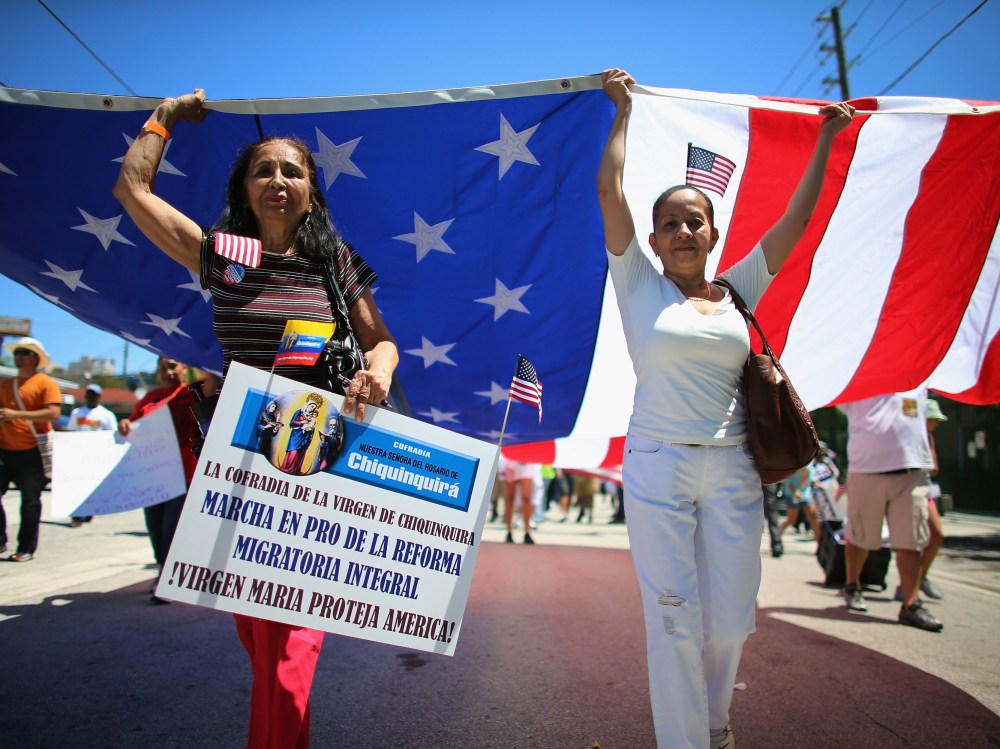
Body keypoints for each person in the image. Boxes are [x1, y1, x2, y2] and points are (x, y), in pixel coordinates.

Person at [114, 88, 398, 749]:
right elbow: (133, 191)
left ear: (311, 190)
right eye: (263, 169)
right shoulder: (226, 254)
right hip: (236, 461)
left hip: (316, 455)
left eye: (291, 170)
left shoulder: (333, 261)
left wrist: (378, 372)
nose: (277, 180)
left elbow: (381, 340)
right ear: (245, 187)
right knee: (257, 629)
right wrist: (166, 117)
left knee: (288, 635)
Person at [597, 68, 853, 748]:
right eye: (670, 224)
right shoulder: (636, 284)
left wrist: (826, 137)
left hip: (734, 468)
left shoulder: (739, 290)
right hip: (657, 466)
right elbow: (608, 190)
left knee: (735, 614)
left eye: (695, 220)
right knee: (674, 611)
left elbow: (796, 222)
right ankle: (689, 739)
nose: (683, 230)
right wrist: (622, 113)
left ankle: (714, 719)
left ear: (712, 232)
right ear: (653, 241)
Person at [839, 389, 943, 632]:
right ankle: (852, 585)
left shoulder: (917, 380)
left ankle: (911, 604)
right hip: (866, 470)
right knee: (860, 536)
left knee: (911, 541)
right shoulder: (860, 378)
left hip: (911, 472)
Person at [118, 357, 200, 602]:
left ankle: (167, 578)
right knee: (154, 527)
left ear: (185, 367)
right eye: (163, 368)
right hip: (153, 476)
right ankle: (163, 568)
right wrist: (125, 424)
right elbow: (134, 426)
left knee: (170, 528)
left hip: (184, 473)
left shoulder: (193, 393)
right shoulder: (149, 398)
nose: (168, 372)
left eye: (173, 366)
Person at [0, 337, 61, 562]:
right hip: (4, 448)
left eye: (24, 352)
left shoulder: (45, 383)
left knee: (30, 501)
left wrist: (17, 415)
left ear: (35, 357)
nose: (19, 357)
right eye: (17, 352)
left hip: (31, 451)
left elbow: (53, 413)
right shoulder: (6, 384)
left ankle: (26, 548)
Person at [66, 383, 118, 526]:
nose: (90, 397)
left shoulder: (106, 415)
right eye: (88, 393)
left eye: (94, 394)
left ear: (99, 397)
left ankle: (89, 513)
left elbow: (113, 435)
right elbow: (71, 432)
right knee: (77, 486)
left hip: (96, 458)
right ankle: (77, 517)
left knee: (91, 487)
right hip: (79, 456)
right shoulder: (77, 413)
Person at [279, 395, 322, 475]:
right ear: (308, 405)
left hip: (305, 437)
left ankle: (295, 470)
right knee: (293, 452)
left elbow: (312, 426)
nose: (312, 408)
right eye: (311, 406)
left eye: (314, 408)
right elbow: (291, 423)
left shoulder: (311, 417)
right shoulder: (299, 412)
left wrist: (310, 429)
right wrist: (301, 423)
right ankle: (288, 468)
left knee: (300, 453)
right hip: (296, 436)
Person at [779, 465, 820, 541]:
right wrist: (795, 491)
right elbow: (788, 482)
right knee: (791, 520)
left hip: (805, 494)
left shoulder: (809, 465)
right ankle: (777, 537)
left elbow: (813, 480)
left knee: (813, 516)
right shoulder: (795, 464)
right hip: (791, 493)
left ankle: (820, 544)